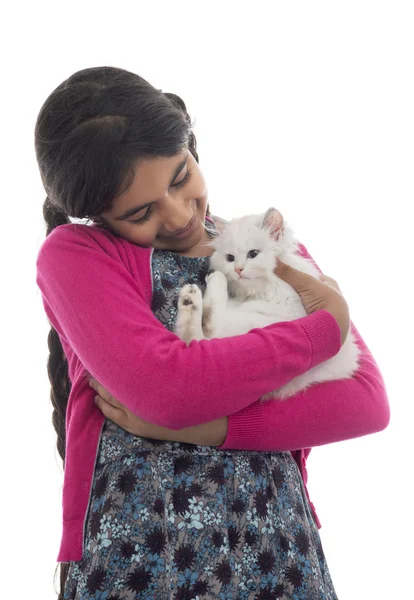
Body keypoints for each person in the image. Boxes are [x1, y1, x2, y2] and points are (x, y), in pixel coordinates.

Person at [35, 66, 389, 600]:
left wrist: (212, 427)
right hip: (146, 555)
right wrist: (326, 326)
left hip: (279, 549)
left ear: (190, 145)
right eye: (140, 212)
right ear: (96, 214)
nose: (178, 216)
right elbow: (171, 388)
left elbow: (363, 401)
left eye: (180, 177)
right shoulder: (79, 256)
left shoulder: (252, 243)